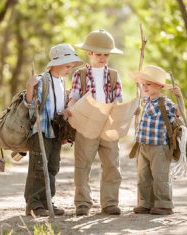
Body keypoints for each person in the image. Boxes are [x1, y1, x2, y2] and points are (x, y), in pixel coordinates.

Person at [66, 29, 123, 216]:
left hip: (108, 125)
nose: (103, 58)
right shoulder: (79, 75)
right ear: (89, 53)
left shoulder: (114, 75)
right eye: (99, 54)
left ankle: (110, 202)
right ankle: (82, 202)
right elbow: (74, 96)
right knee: (83, 165)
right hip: (86, 125)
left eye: (106, 54)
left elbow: (118, 100)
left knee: (112, 165)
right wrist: (70, 108)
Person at [23, 43, 83, 217]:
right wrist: (29, 88)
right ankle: (34, 204)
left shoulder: (62, 81)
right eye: (67, 65)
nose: (69, 69)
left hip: (56, 131)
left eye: (71, 66)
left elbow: (60, 106)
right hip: (41, 131)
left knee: (52, 167)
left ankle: (47, 201)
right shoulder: (42, 80)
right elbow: (29, 104)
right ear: (55, 64)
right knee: (38, 167)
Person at [131, 65, 183, 215]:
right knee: (143, 176)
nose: (145, 87)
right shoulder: (145, 101)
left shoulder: (164, 102)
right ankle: (145, 203)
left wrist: (180, 98)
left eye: (149, 84)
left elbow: (180, 113)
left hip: (159, 146)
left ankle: (164, 204)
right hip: (144, 146)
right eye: (143, 84)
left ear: (159, 86)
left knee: (160, 176)